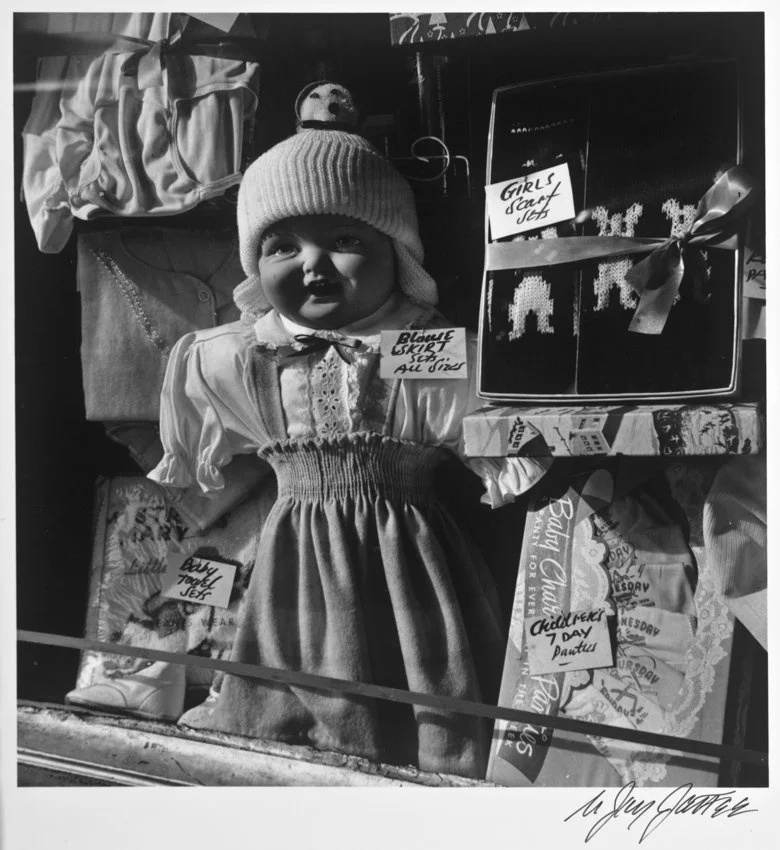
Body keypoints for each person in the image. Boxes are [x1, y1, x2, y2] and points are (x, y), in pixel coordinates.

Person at [148, 84, 550, 778]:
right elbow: (197, 448)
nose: (312, 264)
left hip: (410, 564)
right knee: (285, 703)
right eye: (281, 247)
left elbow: (496, 440)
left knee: (428, 691)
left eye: (344, 241)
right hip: (292, 572)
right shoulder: (238, 358)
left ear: (396, 251)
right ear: (254, 265)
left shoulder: (427, 348)